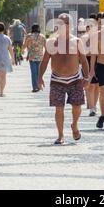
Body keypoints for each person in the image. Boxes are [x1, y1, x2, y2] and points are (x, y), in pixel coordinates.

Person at [38, 14, 89, 145]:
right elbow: (44, 61)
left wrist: (87, 77)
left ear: (70, 26)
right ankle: (60, 135)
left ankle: (74, 125)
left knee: (77, 107)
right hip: (57, 79)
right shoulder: (51, 42)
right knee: (58, 108)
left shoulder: (77, 41)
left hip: (75, 79)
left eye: (65, 23)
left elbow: (83, 61)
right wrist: (40, 77)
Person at [82, 14, 100, 116]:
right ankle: (92, 108)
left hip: (99, 61)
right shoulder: (83, 38)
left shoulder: (99, 36)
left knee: (97, 86)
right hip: (88, 61)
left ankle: (94, 105)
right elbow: (83, 52)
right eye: (88, 26)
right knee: (90, 86)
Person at [23, 23, 46, 92]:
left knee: (33, 73)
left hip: (32, 57)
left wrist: (22, 51)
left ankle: (35, 87)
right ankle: (39, 85)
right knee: (39, 73)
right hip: (40, 57)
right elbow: (46, 47)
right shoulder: (42, 36)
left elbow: (25, 45)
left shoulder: (29, 36)